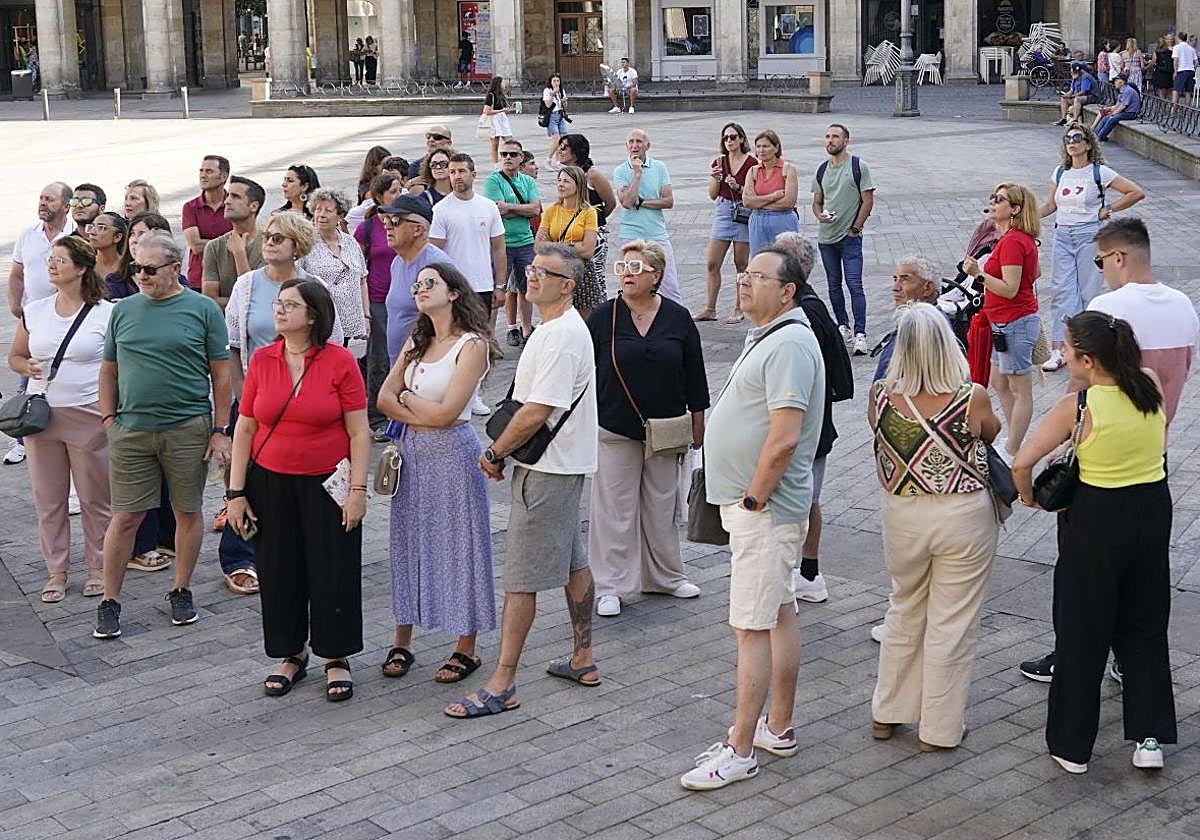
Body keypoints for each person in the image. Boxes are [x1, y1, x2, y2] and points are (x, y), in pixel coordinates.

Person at [1018, 217, 1198, 686]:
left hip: (1095, 459)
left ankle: (1072, 656)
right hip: (1150, 452)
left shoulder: (1108, 307)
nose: (1099, 270)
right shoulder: (1184, 306)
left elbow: (1080, 387)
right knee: (1141, 577)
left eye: (1099, 261)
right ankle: (1127, 658)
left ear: (1117, 257)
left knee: (1081, 577)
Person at [680, 245, 824, 791]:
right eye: (743, 273)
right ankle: (777, 727)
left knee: (751, 627)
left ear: (787, 291)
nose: (744, 282)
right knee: (777, 611)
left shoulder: (788, 342)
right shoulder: (772, 334)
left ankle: (741, 747)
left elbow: (786, 436)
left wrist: (754, 499)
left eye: (757, 277)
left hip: (764, 512)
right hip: (762, 509)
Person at [1012, 312, 1175, 774]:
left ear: (1086, 359)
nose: (1061, 356)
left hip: (1097, 518)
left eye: (1065, 349)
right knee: (1144, 625)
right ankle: (1149, 739)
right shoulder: (1149, 384)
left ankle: (1072, 745)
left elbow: (1024, 463)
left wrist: (1032, 501)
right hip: (1151, 507)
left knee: (1083, 628)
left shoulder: (1079, 406)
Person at [445, 243, 599, 720]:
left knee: (520, 581)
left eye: (543, 273)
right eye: (531, 269)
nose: (530, 277)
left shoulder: (558, 337)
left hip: (547, 470)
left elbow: (535, 411)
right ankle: (582, 658)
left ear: (567, 285)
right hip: (562, 464)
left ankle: (502, 682)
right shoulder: (560, 329)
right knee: (574, 564)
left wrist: (494, 452)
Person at [226, 279, 370, 702]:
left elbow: (359, 432)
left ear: (313, 315)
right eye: (278, 304)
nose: (280, 311)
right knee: (279, 569)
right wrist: (236, 492)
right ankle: (291, 653)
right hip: (271, 480)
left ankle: (335, 655)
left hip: (329, 481)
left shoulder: (340, 361)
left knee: (333, 568)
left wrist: (358, 490)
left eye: (291, 305)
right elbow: (246, 428)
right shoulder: (264, 361)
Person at [868, 303, 1001, 752]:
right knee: (953, 620)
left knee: (903, 607)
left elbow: (877, 434)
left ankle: (888, 712)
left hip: (902, 513)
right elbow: (990, 432)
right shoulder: (971, 396)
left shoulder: (882, 396)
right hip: (962, 514)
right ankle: (940, 729)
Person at [93, 232, 233, 639]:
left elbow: (221, 374)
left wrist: (221, 430)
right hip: (131, 429)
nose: (141, 276)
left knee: (187, 511)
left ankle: (181, 588)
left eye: (150, 269)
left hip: (187, 427)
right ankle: (110, 599)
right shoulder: (123, 311)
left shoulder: (203, 309)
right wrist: (108, 420)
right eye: (137, 268)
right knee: (125, 517)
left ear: (176, 268)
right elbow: (109, 369)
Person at [377, 262, 499, 684]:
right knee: (408, 542)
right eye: (417, 285)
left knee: (459, 545)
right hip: (412, 453)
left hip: (452, 456)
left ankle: (466, 646)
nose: (420, 289)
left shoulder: (472, 345)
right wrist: (419, 410)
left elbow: (450, 414)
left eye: (430, 283)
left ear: (453, 293)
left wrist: (409, 401)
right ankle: (402, 638)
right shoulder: (417, 337)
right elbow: (383, 398)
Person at [586, 239, 707, 617]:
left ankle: (666, 577)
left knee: (661, 504)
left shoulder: (677, 316)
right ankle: (610, 585)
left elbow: (695, 374)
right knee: (614, 509)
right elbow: (584, 372)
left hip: (667, 427)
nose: (626, 275)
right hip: (615, 426)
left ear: (656, 275)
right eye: (622, 268)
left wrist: (698, 423)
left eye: (635, 268)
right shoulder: (604, 317)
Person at [8, 237, 114, 602]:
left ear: (81, 268)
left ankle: (98, 566)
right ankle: (57, 570)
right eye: (49, 260)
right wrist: (28, 366)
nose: (51, 266)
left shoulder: (106, 312)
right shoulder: (35, 310)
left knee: (94, 496)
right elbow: (16, 357)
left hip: (88, 412)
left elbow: (116, 368)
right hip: (41, 415)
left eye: (60, 260)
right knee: (48, 498)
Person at [772, 232, 853, 606]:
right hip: (807, 428)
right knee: (806, 500)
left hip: (806, 430)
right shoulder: (800, 307)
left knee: (804, 500)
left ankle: (805, 572)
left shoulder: (808, 313)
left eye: (776, 256)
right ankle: (806, 571)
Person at [1038, 124, 1145, 371]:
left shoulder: (1099, 172)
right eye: (1068, 138)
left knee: (1089, 293)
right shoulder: (1060, 172)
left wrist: (1110, 209)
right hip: (1062, 236)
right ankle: (1060, 349)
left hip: (1089, 235)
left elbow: (1135, 192)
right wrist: (1024, 218)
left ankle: (1089, 347)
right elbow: (1050, 205)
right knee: (1062, 292)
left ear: (1088, 144)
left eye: (1077, 138)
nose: (1072, 142)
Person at [962, 182, 1041, 461]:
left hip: (1015, 321)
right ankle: (1014, 438)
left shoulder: (1013, 242)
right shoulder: (1014, 239)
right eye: (992, 198)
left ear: (1015, 209)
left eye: (999, 199)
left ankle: (1014, 450)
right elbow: (1036, 273)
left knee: (1020, 388)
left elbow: (1009, 288)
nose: (993, 203)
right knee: (999, 381)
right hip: (1004, 321)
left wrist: (978, 274)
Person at [6, 182, 76, 466]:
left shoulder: (75, 234)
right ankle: (23, 436)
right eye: (41, 198)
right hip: (35, 321)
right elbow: (16, 274)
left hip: (70, 318)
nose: (42, 203)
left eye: (49, 199)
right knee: (28, 379)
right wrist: (15, 303)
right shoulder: (27, 235)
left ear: (65, 206)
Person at [428, 153, 507, 359]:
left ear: (473, 174)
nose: (456, 176)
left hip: (483, 287)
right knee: (455, 343)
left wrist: (500, 286)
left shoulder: (488, 207)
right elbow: (433, 254)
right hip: (453, 289)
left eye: (461, 171)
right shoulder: (440, 210)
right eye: (452, 172)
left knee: (480, 342)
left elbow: (499, 248)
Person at [813, 123, 875, 356]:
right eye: (827, 136)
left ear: (846, 141)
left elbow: (867, 200)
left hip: (849, 238)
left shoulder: (858, 166)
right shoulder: (822, 170)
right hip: (826, 238)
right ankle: (843, 326)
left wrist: (856, 229)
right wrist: (819, 214)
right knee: (833, 285)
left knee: (855, 284)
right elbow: (817, 201)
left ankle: (861, 333)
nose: (830, 140)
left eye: (835, 137)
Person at [353, 174, 406, 437]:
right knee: (380, 357)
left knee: (404, 355)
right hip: (378, 298)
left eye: (400, 190)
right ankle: (376, 415)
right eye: (394, 191)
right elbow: (358, 264)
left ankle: (401, 409)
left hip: (405, 298)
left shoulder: (404, 222)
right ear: (380, 197)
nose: (399, 194)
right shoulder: (368, 227)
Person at [377, 195, 451, 364]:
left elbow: (448, 323)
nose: (387, 226)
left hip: (424, 366)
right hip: (400, 364)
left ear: (418, 229)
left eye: (395, 220)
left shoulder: (435, 266)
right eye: (386, 220)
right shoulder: (397, 262)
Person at [482, 138, 541, 346]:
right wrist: (521, 209)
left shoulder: (529, 182)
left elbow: (535, 209)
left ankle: (526, 330)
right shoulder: (493, 181)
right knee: (498, 290)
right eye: (504, 154)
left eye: (512, 155)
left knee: (527, 289)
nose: (507, 158)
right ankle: (489, 337)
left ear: (521, 158)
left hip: (526, 242)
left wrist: (509, 208)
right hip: (501, 244)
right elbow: (495, 210)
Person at [696, 122, 756, 324]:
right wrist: (715, 179)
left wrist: (738, 187)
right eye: (725, 138)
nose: (729, 141)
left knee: (741, 264)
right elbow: (713, 195)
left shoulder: (752, 163)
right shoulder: (719, 162)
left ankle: (740, 307)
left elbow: (753, 193)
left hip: (743, 210)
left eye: (733, 137)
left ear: (741, 139)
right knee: (712, 263)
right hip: (723, 210)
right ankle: (710, 308)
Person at [613, 129, 681, 303]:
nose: (635, 146)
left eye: (639, 142)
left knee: (669, 284)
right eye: (631, 142)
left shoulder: (659, 167)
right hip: (630, 234)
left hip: (656, 233)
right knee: (629, 282)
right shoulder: (620, 171)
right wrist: (637, 174)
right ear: (626, 146)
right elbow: (627, 202)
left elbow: (668, 200)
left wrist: (642, 202)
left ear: (647, 145)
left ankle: (677, 325)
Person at [556, 134, 617, 311]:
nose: (560, 150)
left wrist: (593, 224)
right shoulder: (565, 176)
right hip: (572, 236)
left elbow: (610, 202)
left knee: (595, 279)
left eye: (564, 147)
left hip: (594, 236)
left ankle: (600, 317)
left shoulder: (592, 174)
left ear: (576, 152)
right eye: (560, 146)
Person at [300, 188, 369, 344]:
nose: (321, 215)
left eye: (328, 210)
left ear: (340, 216)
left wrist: (366, 316)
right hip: (319, 322)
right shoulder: (307, 243)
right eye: (318, 209)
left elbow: (362, 280)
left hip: (347, 321)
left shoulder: (350, 242)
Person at [537, 165, 605, 318]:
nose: (561, 184)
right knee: (556, 316)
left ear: (578, 185)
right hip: (556, 270)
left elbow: (588, 250)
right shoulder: (551, 211)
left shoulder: (589, 212)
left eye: (566, 181)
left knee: (584, 320)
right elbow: (539, 246)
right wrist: (573, 246)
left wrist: (553, 245)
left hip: (581, 271)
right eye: (559, 180)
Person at [203, 175, 267, 311]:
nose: (227, 201)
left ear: (253, 206)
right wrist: (244, 302)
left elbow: (258, 297)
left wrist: (239, 254)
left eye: (235, 197)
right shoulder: (214, 247)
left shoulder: (270, 244)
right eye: (228, 196)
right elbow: (210, 300)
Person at [743, 130, 799, 259]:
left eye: (766, 146)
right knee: (759, 261)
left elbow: (788, 202)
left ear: (776, 147)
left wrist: (759, 202)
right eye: (758, 146)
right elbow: (747, 202)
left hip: (783, 219)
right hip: (758, 220)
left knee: (786, 261)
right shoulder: (753, 171)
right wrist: (773, 197)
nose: (761, 150)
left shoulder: (788, 169)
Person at [183, 155, 233, 292]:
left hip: (230, 278)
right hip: (198, 279)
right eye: (201, 171)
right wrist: (229, 243)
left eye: (209, 171)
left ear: (223, 177)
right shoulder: (190, 207)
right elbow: (196, 246)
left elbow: (245, 240)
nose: (203, 176)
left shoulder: (235, 204)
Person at [1093, 74, 1143, 140]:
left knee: (1112, 118)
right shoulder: (1122, 91)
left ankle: (1100, 137)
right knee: (1106, 116)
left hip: (1130, 113)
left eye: (1116, 81)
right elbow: (1118, 105)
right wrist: (1110, 109)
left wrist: (1113, 113)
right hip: (1124, 112)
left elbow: (1123, 106)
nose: (1115, 83)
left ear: (1122, 82)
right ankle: (1096, 134)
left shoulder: (1128, 91)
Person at [87, 212, 129, 284]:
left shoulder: (128, 268)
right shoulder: (84, 265)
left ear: (117, 237)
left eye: (101, 228)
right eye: (91, 227)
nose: (92, 232)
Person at [482, 76, 515, 163]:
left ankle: (506, 158)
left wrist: (510, 109)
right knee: (495, 144)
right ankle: (495, 165)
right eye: (502, 82)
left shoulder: (501, 95)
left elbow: (503, 108)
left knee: (510, 141)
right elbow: (486, 111)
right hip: (494, 120)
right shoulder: (491, 95)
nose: (504, 84)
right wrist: (501, 110)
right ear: (498, 84)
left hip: (502, 120)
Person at [542, 74, 569, 161]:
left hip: (560, 115)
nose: (556, 83)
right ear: (550, 82)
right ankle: (548, 159)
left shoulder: (561, 90)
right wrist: (553, 94)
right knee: (556, 139)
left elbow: (565, 105)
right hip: (552, 116)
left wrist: (564, 101)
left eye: (558, 81)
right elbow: (548, 105)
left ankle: (559, 160)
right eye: (554, 81)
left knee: (563, 139)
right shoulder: (547, 91)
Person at [1172, 30, 1197, 105]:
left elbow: (1176, 60)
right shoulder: (1191, 48)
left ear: (1178, 38)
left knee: (1176, 90)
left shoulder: (1177, 47)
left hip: (1181, 71)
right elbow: (1196, 62)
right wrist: (1193, 68)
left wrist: (1175, 71)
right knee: (1188, 92)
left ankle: (1174, 109)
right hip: (1191, 71)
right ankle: (1187, 110)